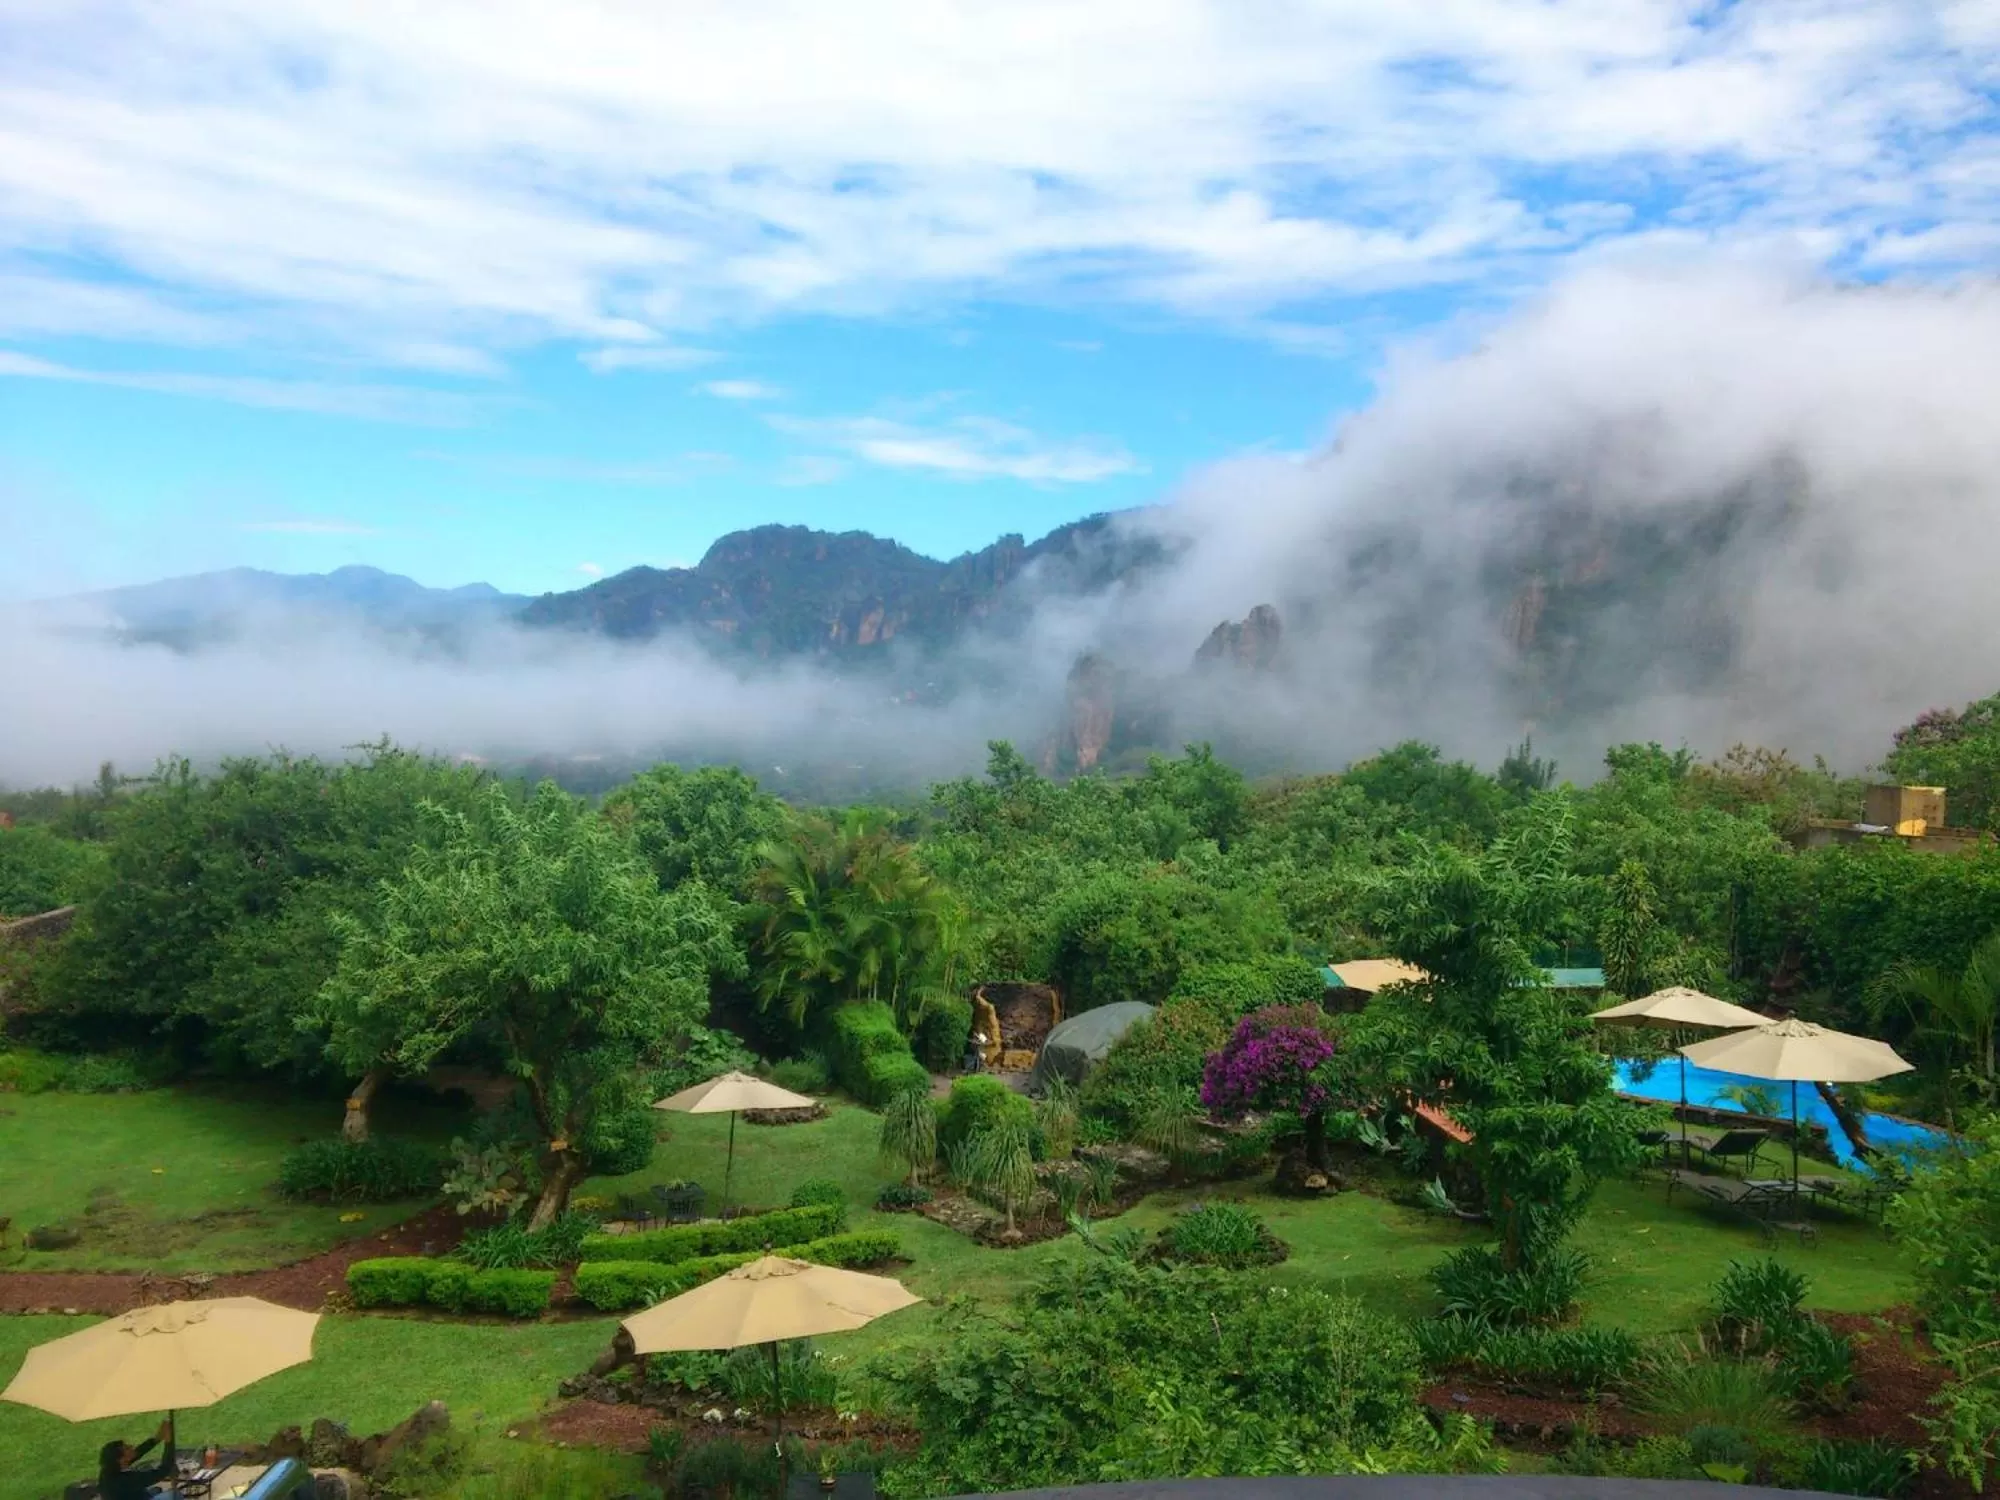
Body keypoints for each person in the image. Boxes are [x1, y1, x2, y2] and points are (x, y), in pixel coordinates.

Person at [97, 1421, 175, 1499]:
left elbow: (135, 1454)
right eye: (127, 1448)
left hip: (129, 1494)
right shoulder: (126, 1480)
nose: (131, 1446)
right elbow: (163, 1471)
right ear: (121, 1460)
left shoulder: (108, 1471)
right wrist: (169, 1442)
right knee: (175, 1494)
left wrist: (157, 1438)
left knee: (155, 1490)